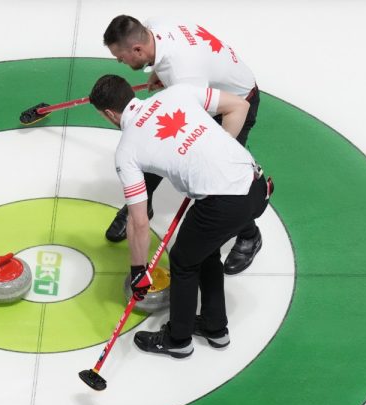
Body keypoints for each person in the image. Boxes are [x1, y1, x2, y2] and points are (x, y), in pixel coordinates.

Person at [88, 75, 272, 358]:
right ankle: (215, 329)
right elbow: (239, 106)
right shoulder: (176, 93)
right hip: (257, 185)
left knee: (182, 261)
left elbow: (138, 221)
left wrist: (139, 271)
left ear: (110, 114)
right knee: (205, 252)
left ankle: (178, 339)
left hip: (224, 203)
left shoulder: (127, 151)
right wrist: (215, 155)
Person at [102, 15, 262, 275]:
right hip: (208, 91)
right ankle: (143, 205)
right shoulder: (156, 28)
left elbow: (191, 115)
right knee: (153, 144)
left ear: (138, 49)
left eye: (122, 58)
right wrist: (158, 72)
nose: (121, 63)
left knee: (224, 183)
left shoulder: (184, 74)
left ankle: (249, 235)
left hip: (235, 106)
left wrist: (172, 80)